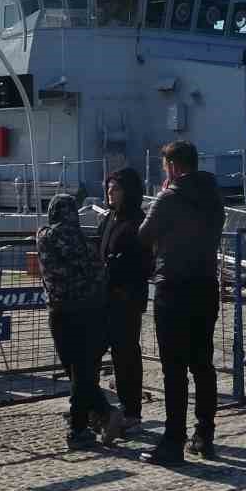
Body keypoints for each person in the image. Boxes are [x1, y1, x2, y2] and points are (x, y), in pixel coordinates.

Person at [137, 141, 226, 465]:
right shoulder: (214, 198)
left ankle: (173, 441)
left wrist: (164, 197)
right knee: (203, 365)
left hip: (173, 287)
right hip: (205, 286)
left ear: (172, 166)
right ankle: (204, 435)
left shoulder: (170, 197)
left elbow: (144, 236)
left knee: (174, 368)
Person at [39, 194, 125, 449]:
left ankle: (92, 419)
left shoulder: (44, 235)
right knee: (84, 370)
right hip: (89, 310)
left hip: (59, 310)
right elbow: (99, 272)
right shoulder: (84, 242)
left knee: (74, 370)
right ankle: (91, 420)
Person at [96, 168, 150, 430]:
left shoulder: (137, 221)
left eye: (115, 188)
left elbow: (144, 261)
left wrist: (118, 269)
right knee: (94, 352)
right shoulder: (108, 219)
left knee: (126, 354)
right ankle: (98, 408)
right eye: (108, 188)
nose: (109, 192)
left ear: (127, 192)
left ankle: (131, 411)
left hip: (126, 298)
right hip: (104, 298)